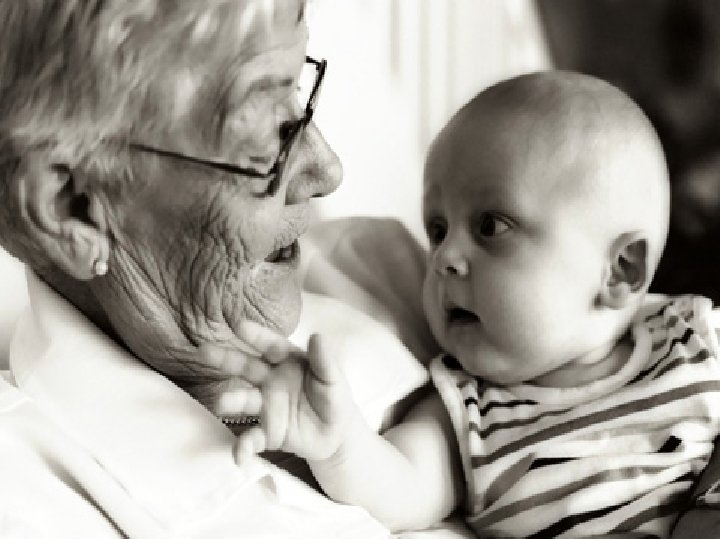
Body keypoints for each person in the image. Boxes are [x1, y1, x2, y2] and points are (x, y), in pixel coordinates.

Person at [207, 70, 720, 537]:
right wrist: (338, 440)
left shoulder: (695, 340)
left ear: (620, 271)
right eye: (437, 230)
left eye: (491, 226)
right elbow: (401, 488)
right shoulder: (467, 416)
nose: (444, 258)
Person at [0, 1, 433, 537]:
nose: (327, 171)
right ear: (74, 210)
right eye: (267, 138)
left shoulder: (410, 280)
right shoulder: (28, 503)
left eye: (299, 95)